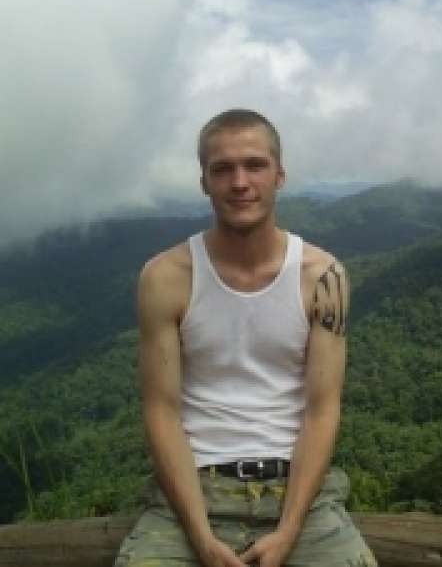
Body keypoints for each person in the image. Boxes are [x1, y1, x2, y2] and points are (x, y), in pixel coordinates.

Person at [114, 109, 377, 566]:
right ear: (204, 182)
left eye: (255, 165)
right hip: (193, 489)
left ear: (280, 175)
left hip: (300, 491)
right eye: (222, 169)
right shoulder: (165, 278)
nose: (240, 182)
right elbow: (161, 410)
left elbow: (321, 410)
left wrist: (288, 531)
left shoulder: (323, 277)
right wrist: (201, 538)